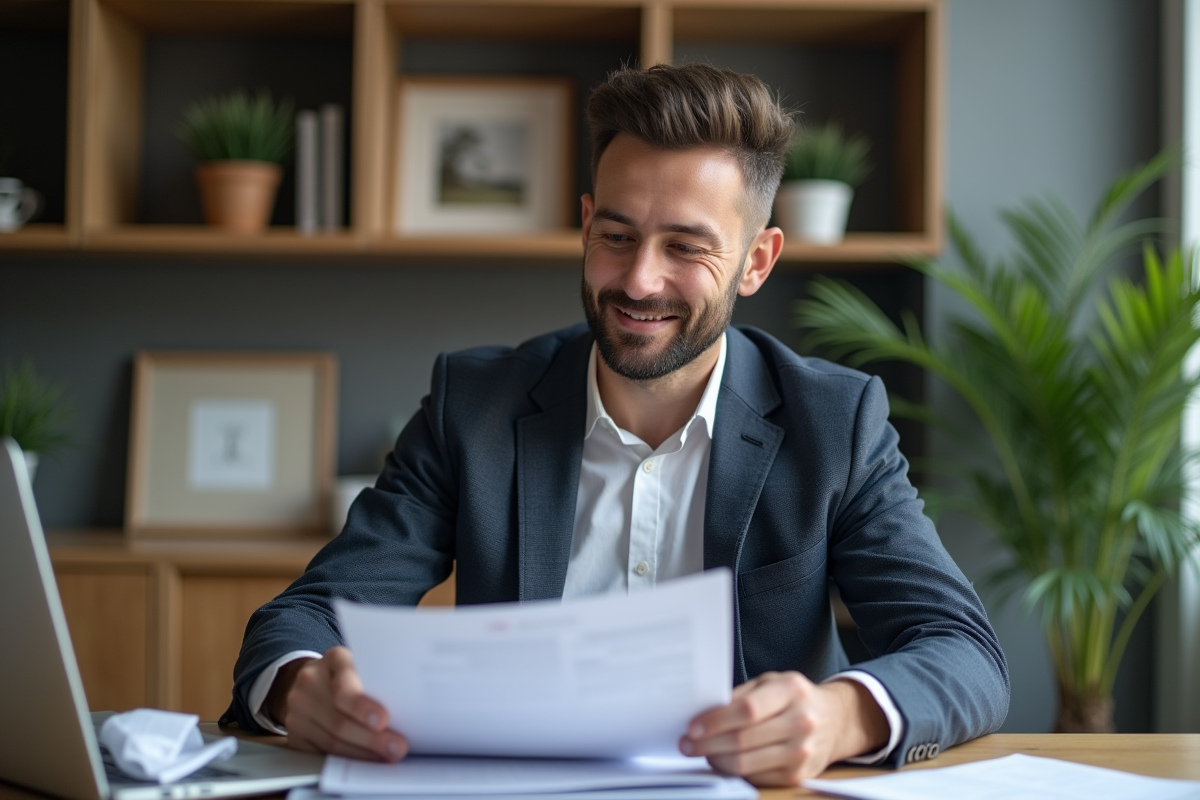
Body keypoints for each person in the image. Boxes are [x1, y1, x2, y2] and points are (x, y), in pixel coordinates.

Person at [221, 63, 1009, 787]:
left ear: (757, 262)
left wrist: (839, 715)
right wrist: (299, 688)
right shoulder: (474, 405)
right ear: (587, 223)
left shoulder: (836, 422)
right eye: (618, 237)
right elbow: (305, 614)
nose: (638, 280)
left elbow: (963, 652)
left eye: (686, 247)